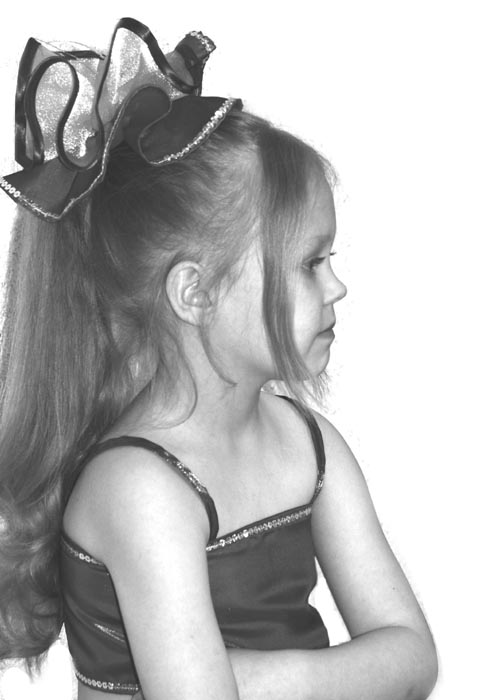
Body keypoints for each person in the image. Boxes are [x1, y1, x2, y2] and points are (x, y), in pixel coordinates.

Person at [0, 17, 438, 700]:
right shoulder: (140, 487)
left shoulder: (309, 443)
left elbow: (413, 659)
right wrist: (346, 675)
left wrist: (266, 678)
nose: (337, 287)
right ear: (196, 293)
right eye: (309, 263)